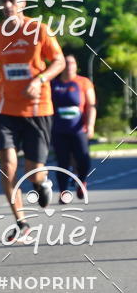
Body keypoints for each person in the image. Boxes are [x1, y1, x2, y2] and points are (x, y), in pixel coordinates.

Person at [0, 0, 65, 244]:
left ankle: (42, 183)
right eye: (3, 1)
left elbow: (59, 61)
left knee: (34, 171)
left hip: (38, 108)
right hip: (6, 109)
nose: (7, 5)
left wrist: (40, 79)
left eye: (12, 0)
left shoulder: (38, 30)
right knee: (7, 167)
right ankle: (22, 224)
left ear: (23, 4)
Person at [51, 52, 96, 200]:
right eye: (67, 63)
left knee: (83, 160)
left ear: (76, 66)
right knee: (62, 162)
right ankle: (63, 192)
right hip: (59, 130)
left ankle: (81, 181)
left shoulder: (84, 83)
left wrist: (90, 126)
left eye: (72, 63)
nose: (70, 66)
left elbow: (91, 106)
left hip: (79, 130)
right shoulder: (53, 84)